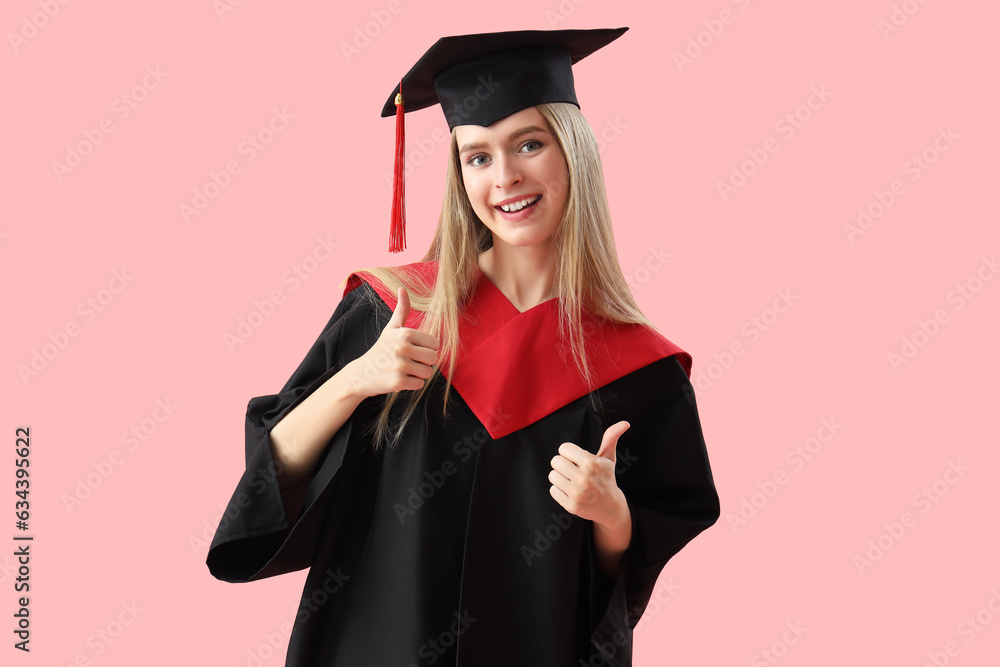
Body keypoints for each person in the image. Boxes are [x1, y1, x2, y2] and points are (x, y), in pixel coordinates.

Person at [206, 27, 720, 666]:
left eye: (529, 144)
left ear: (575, 154)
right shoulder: (389, 311)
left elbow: (631, 566)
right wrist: (355, 381)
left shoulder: (642, 369)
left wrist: (611, 515)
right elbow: (272, 470)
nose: (504, 177)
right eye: (477, 156)